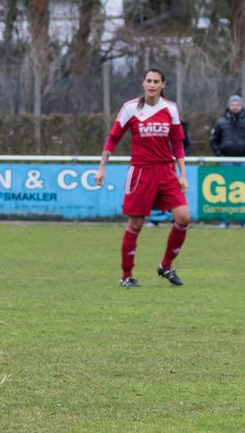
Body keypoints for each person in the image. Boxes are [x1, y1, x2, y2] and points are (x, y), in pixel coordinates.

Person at [94, 68, 190, 288]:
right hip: (140, 172)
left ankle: (166, 265)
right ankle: (126, 276)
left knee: (183, 217)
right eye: (148, 80)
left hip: (166, 171)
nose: (152, 85)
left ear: (163, 85)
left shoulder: (170, 109)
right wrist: (101, 168)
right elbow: (113, 138)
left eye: (156, 81)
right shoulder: (130, 108)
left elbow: (177, 143)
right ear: (143, 83)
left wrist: (182, 174)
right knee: (135, 223)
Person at [210, 94, 245, 227]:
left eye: (237, 104)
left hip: (243, 161)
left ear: (241, 106)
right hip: (226, 161)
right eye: (233, 104)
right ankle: (225, 221)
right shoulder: (220, 123)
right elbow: (214, 141)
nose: (235, 107)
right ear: (229, 106)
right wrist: (219, 154)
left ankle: (243, 220)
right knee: (224, 191)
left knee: (243, 192)